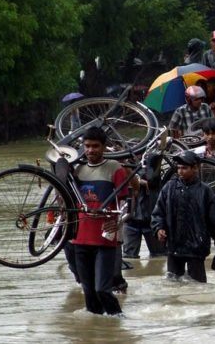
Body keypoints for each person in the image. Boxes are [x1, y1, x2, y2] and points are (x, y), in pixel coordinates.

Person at [71, 126, 131, 315]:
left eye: (95, 146)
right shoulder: (78, 169)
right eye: (87, 146)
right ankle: (97, 331)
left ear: (104, 147)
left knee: (102, 290)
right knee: (88, 292)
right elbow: (65, 198)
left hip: (104, 240)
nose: (90, 150)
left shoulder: (115, 168)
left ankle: (119, 322)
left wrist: (119, 222)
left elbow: (126, 203)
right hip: (80, 239)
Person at [151, 151, 215, 283]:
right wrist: (159, 228)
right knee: (172, 285)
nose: (180, 171)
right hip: (174, 247)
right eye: (178, 168)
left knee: (198, 287)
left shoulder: (205, 191)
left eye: (184, 168)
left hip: (196, 249)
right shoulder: (169, 188)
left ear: (195, 168)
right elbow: (158, 213)